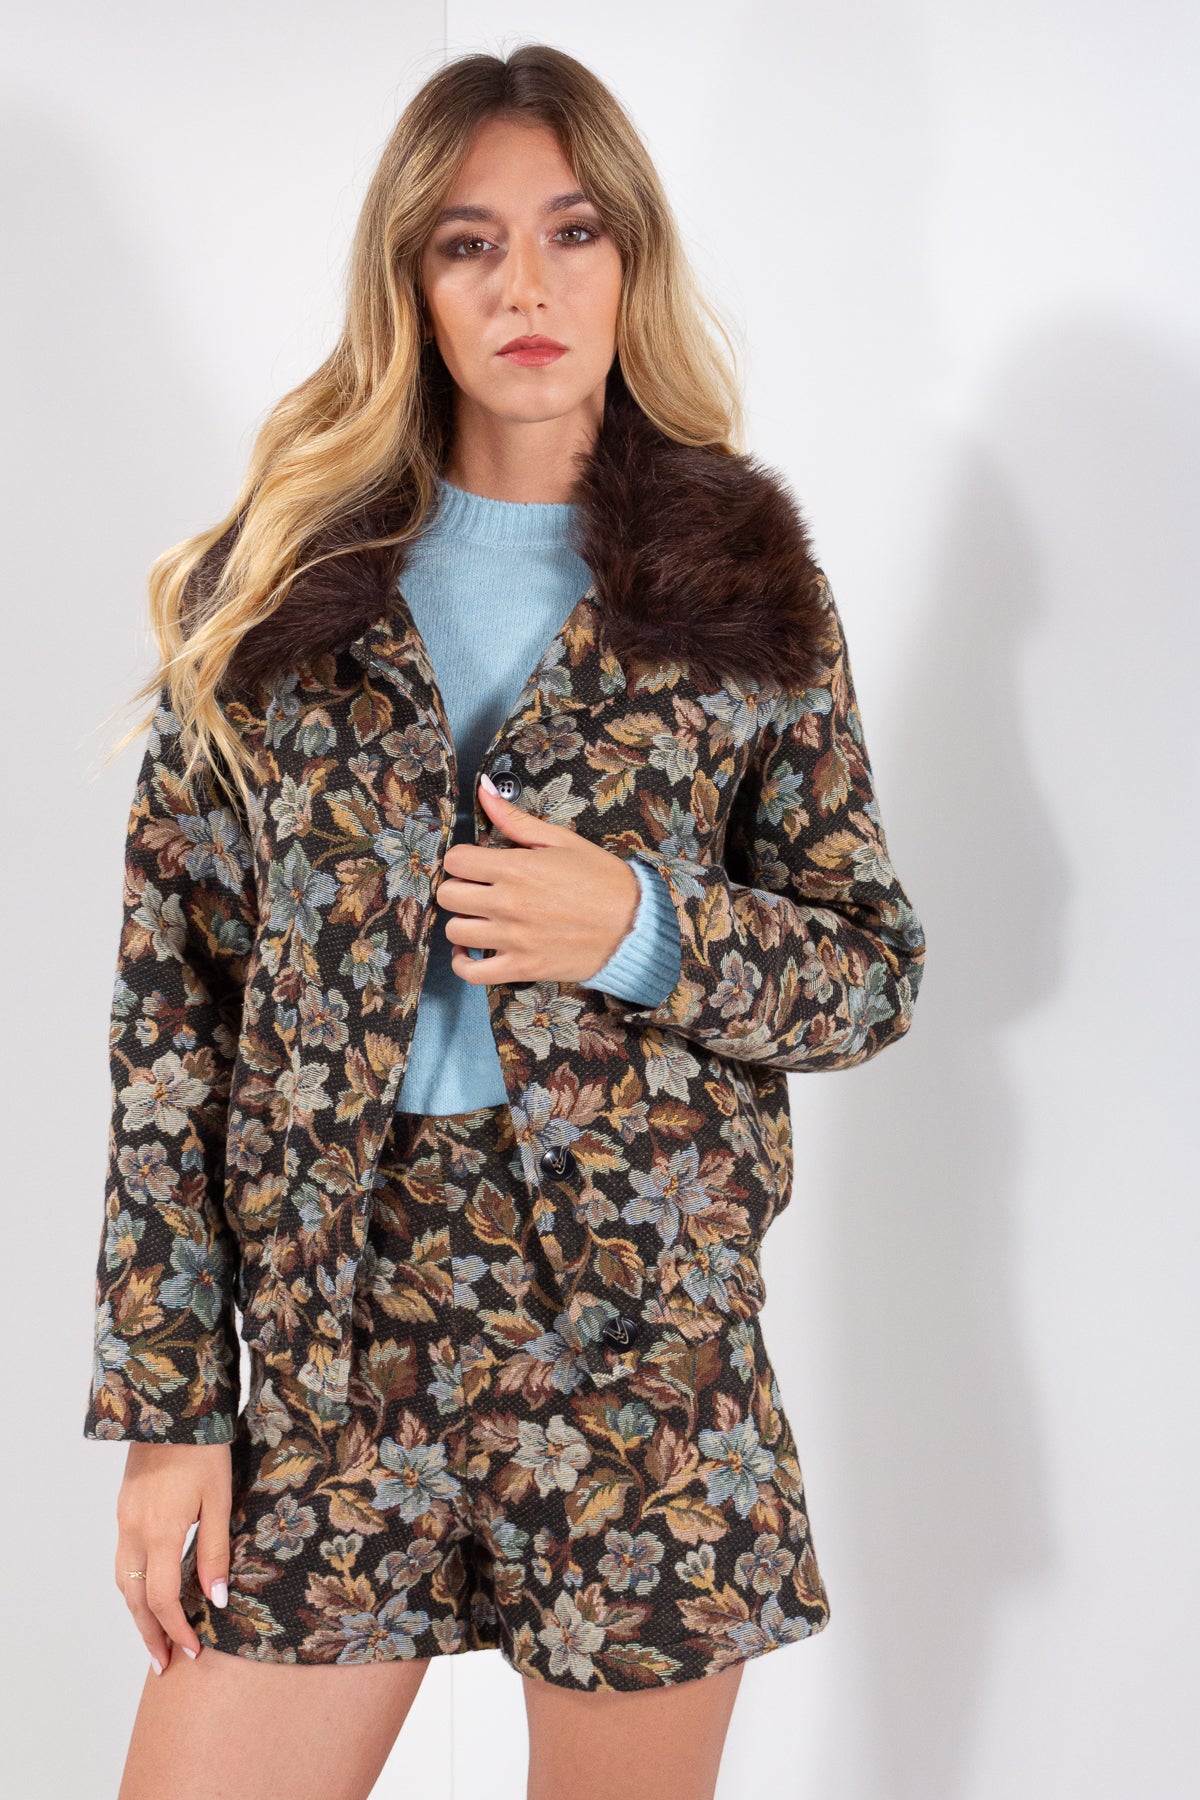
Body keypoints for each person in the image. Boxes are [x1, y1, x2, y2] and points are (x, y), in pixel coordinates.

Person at [84, 43, 926, 1800]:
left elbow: (869, 968)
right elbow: (172, 1031)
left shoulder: (746, 583)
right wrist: (171, 1412)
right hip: (339, 1335)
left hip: (644, 1344)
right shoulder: (273, 593)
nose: (525, 287)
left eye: (572, 232)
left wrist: (640, 927)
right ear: (410, 280)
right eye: (469, 243)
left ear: (632, 260)